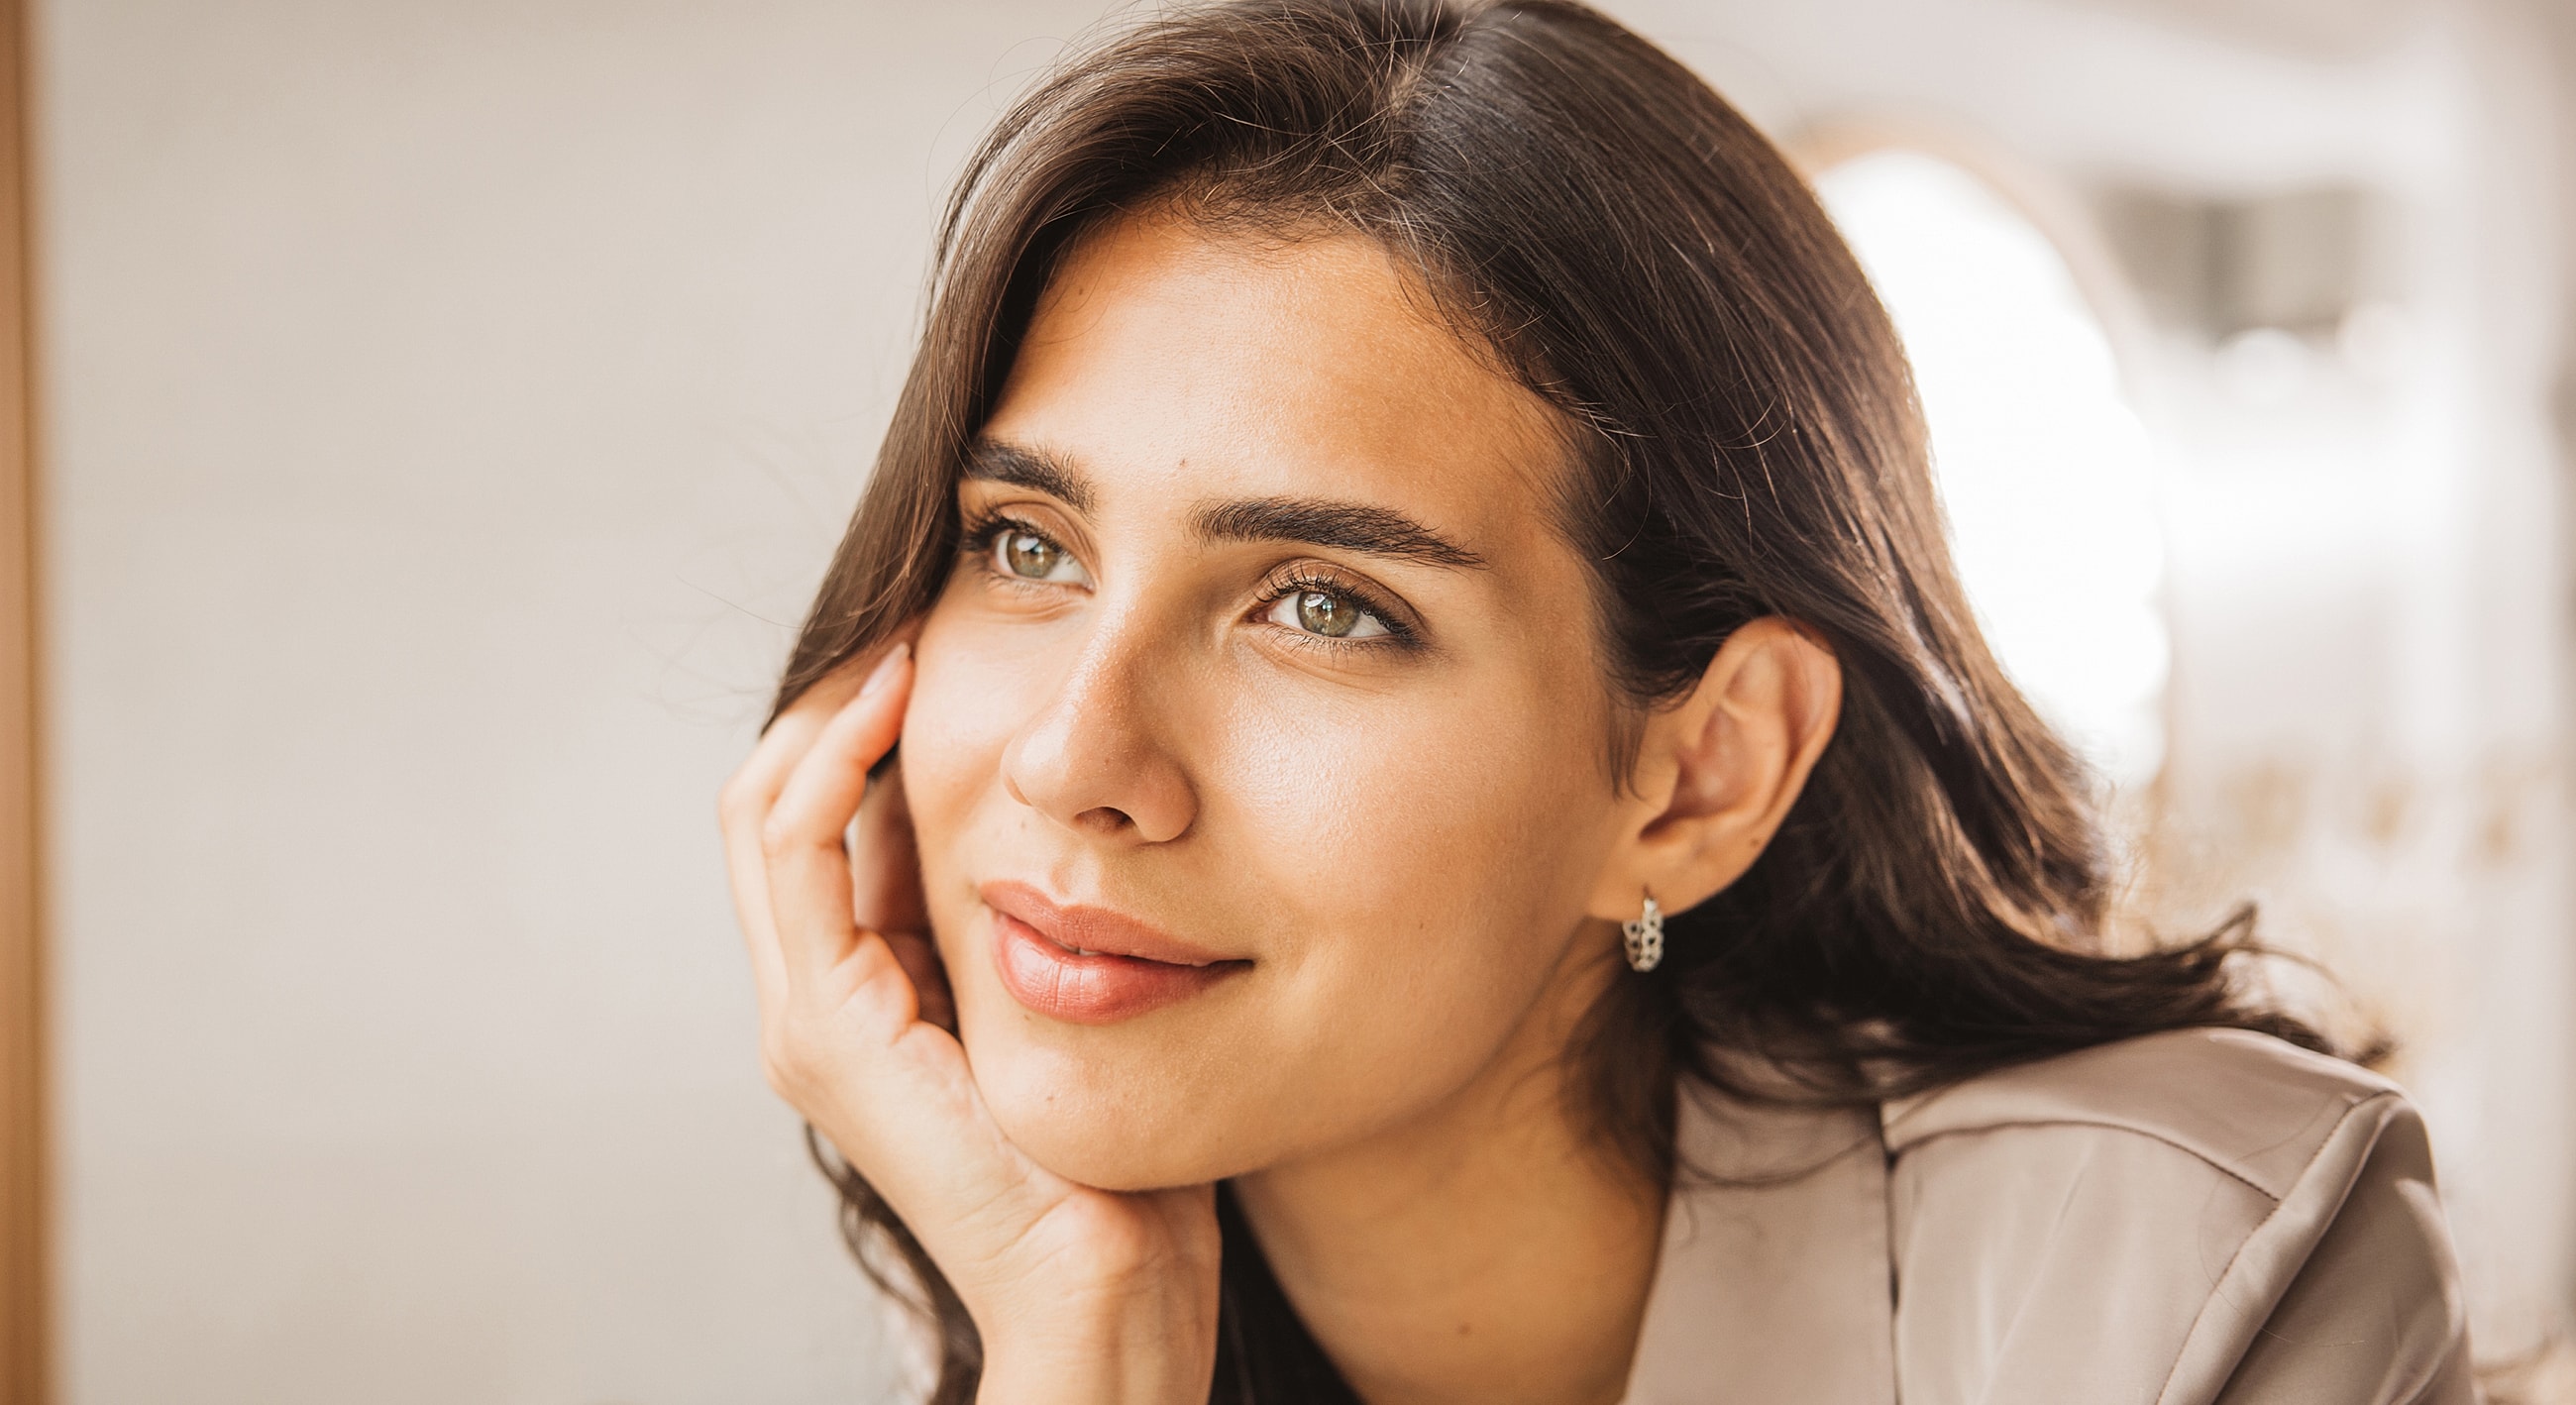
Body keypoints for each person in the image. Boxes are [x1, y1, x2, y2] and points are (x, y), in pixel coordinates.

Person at [717, 1, 2477, 1401]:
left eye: (1322, 604)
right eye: (1027, 545)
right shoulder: (1036, 1263)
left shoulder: (2182, 1280)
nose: (1070, 757)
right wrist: (1083, 1340)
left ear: (1697, 777)